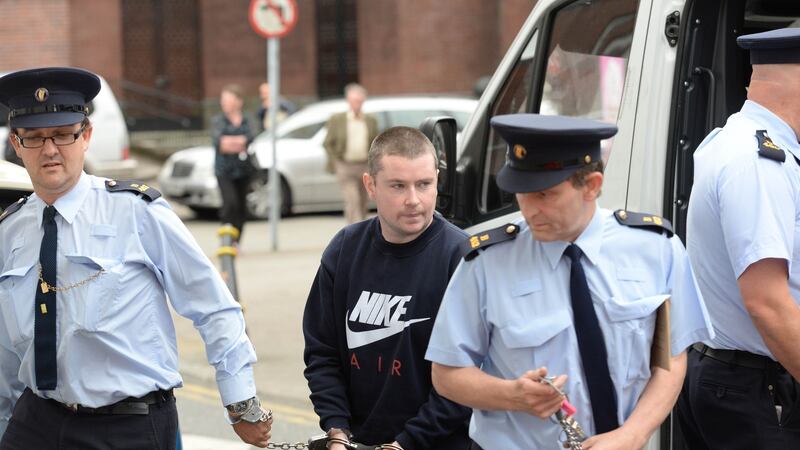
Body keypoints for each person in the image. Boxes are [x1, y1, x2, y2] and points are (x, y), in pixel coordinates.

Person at [0, 67, 272, 449]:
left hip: (126, 425)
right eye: (34, 138)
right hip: (37, 421)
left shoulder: (137, 211)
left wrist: (239, 399)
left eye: (62, 134)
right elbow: (7, 349)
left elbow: (212, 306)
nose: (49, 149)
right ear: (15, 141)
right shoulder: (9, 229)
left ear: (86, 136)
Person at [425, 114, 714, 449]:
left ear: (591, 185)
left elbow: (671, 358)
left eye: (545, 195)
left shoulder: (656, 248)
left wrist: (632, 434)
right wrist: (512, 395)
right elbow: (446, 374)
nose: (529, 210)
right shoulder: (486, 262)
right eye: (522, 193)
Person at [303, 126, 471, 449]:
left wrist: (405, 443)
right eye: (398, 186)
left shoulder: (462, 257)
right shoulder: (344, 250)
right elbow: (322, 352)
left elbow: (469, 376)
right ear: (370, 185)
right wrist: (337, 431)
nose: (413, 200)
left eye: (424, 184)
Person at [676, 28, 800, 449]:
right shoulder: (759, 162)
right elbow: (767, 303)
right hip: (758, 387)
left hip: (739, 379)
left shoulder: (732, 139)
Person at [323, 82, 379, 224]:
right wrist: (336, 161)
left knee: (363, 201)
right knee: (352, 200)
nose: (357, 104)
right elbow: (328, 142)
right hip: (345, 165)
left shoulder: (370, 120)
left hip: (364, 165)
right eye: (354, 101)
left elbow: (376, 142)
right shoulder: (337, 119)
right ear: (348, 101)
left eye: (360, 101)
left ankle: (361, 226)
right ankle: (354, 231)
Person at [212, 84, 258, 241]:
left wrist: (231, 141)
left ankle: (237, 241)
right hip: (224, 170)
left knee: (241, 206)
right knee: (229, 204)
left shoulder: (247, 119)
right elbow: (220, 143)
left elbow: (251, 137)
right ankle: (226, 239)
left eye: (228, 100)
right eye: (223, 100)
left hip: (244, 170)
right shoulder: (218, 121)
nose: (223, 103)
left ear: (238, 102)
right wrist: (240, 142)